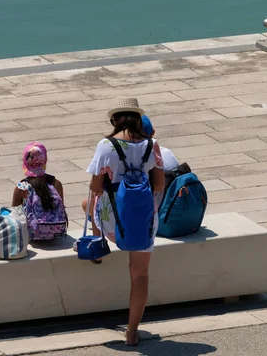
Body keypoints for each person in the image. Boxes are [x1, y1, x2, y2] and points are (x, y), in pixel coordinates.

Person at [85, 97, 165, 346]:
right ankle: (132, 331)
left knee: (88, 204)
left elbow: (95, 187)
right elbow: (160, 184)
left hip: (111, 221)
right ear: (138, 119)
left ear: (115, 119)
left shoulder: (106, 145)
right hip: (143, 220)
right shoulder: (152, 145)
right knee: (140, 274)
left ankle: (98, 249)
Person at [82, 114, 179, 218]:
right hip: (147, 216)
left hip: (114, 217)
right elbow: (159, 186)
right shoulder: (154, 147)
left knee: (91, 198)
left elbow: (96, 188)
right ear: (153, 132)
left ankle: (98, 234)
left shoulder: (105, 145)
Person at [11, 142, 67, 241]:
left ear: (25, 162)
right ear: (45, 160)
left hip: (32, 234)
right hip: (56, 232)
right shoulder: (56, 183)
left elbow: (14, 216)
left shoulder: (21, 187)